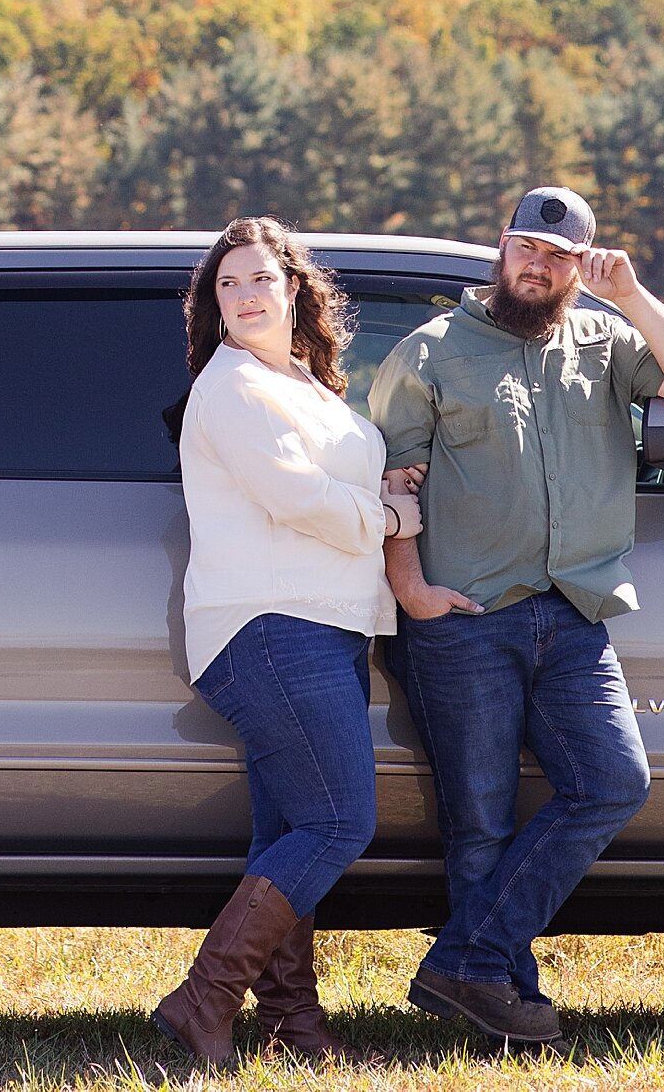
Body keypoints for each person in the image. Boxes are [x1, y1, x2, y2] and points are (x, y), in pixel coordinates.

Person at [368, 185, 664, 1052]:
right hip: (465, 618)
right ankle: (501, 1003)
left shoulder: (609, 344)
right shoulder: (432, 351)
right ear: (501, 247)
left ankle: (467, 964)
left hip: (575, 614)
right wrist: (412, 592)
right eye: (528, 246)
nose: (540, 264)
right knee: (480, 821)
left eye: (560, 255)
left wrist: (632, 295)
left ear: (582, 265)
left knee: (612, 781)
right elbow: (389, 486)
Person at [153, 215, 423, 1067]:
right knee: (341, 821)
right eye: (226, 285)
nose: (242, 297)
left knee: (289, 834)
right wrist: (387, 515)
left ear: (294, 288)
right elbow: (293, 496)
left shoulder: (302, 383)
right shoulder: (230, 386)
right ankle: (203, 999)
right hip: (270, 626)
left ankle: (294, 1030)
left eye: (258, 280)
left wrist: (382, 479)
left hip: (322, 624)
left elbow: (321, 475)